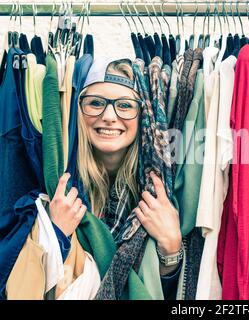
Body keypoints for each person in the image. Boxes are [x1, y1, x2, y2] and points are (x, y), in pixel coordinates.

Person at [48, 58, 182, 299]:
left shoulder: (156, 191)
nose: (109, 116)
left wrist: (171, 249)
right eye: (96, 103)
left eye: (125, 106)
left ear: (142, 116)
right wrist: (55, 235)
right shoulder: (61, 187)